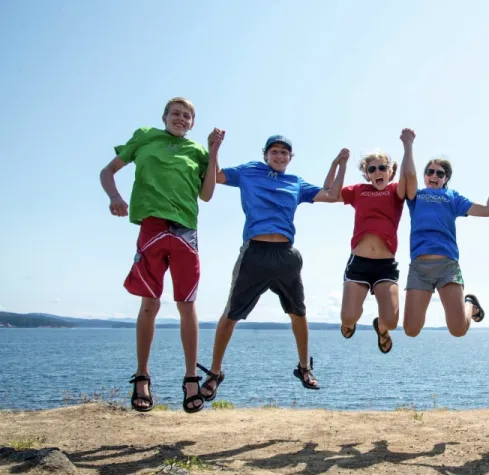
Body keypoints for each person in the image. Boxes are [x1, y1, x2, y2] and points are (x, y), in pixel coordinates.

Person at [196, 136, 349, 400]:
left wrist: (338, 163)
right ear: (266, 154)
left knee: (299, 314)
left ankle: (304, 368)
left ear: (291, 157)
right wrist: (214, 149)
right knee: (231, 314)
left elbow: (333, 195)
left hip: (286, 255)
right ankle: (215, 372)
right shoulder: (248, 171)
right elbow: (217, 176)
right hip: (255, 253)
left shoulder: (295, 183)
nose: (279, 156)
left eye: (284, 153)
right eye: (274, 152)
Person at [99, 97, 224, 413]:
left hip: (185, 231)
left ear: (192, 123)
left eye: (187, 116)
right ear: (164, 117)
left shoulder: (197, 151)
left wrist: (212, 152)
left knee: (187, 305)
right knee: (150, 303)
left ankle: (190, 380)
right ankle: (142, 376)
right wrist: (115, 197)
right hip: (152, 228)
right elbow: (108, 171)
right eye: (176, 114)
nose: (181, 119)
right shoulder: (144, 137)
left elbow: (207, 195)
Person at [400, 129, 489, 338]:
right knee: (410, 330)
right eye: (430, 172)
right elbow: (409, 175)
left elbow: (488, 210)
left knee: (458, 330)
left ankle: (470, 305)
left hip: (447, 266)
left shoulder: (452, 197)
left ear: (446, 178)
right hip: (419, 267)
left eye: (439, 173)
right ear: (425, 176)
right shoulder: (415, 196)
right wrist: (408, 144)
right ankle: (469, 304)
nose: (434, 176)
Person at [338, 130, 414, 353]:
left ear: (390, 172)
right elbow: (332, 194)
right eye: (372, 169)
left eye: (383, 168)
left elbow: (409, 178)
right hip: (358, 263)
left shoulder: (395, 191)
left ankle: (381, 328)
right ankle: (351, 318)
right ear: (367, 174)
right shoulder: (359, 191)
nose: (378, 172)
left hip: (385, 265)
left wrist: (408, 145)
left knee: (391, 321)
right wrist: (341, 164)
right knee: (348, 317)